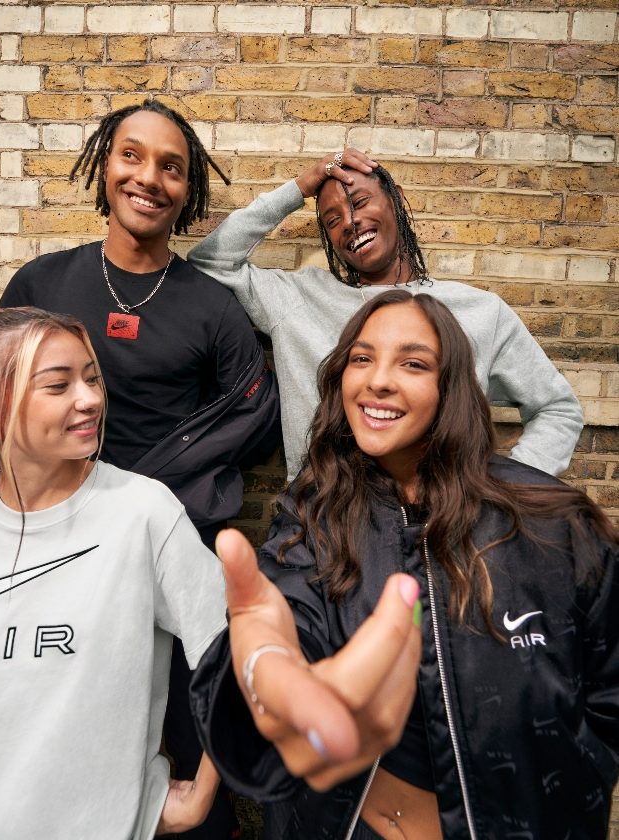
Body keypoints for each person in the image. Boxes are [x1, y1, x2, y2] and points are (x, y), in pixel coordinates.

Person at [191, 291, 619, 839]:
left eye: (413, 364)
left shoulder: (555, 526)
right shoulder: (314, 512)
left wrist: (573, 782)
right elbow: (285, 619)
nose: (378, 380)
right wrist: (265, 664)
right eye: (362, 358)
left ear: (451, 388)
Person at [0, 99, 280, 839]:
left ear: (188, 191)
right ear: (104, 166)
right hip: (52, 550)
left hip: (168, 552)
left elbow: (254, 411)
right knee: (53, 724)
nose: (149, 178)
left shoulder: (210, 307)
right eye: (132, 155)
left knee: (188, 726)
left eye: (171, 167)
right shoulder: (41, 285)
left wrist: (153, 486)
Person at [0, 307, 227, 840]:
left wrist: (201, 792)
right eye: (58, 385)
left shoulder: (141, 512)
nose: (89, 399)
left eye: (91, 378)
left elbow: (245, 654)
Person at [187, 148, 583, 480]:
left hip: (444, 525)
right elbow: (210, 261)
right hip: (326, 524)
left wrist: (507, 490)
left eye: (360, 203)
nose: (350, 222)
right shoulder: (298, 299)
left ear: (395, 200)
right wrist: (300, 187)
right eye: (332, 220)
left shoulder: (479, 311)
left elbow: (557, 408)